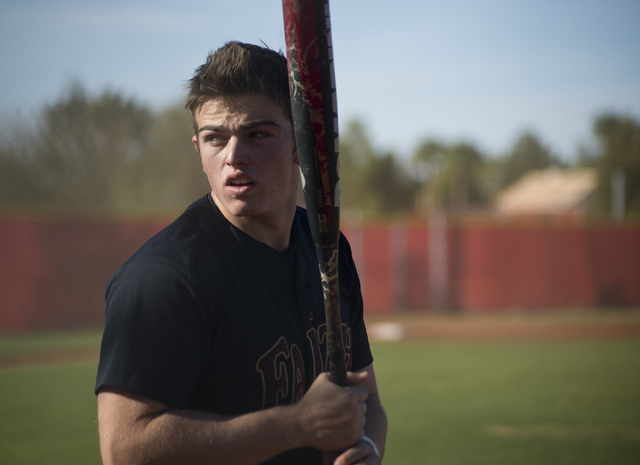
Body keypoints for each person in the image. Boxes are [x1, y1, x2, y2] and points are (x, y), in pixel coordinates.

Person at [95, 41, 387, 465]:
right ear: (199, 150)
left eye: (257, 134)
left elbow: (367, 398)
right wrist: (297, 425)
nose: (233, 157)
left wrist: (370, 448)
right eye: (215, 138)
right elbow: (123, 450)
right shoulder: (165, 278)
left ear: (300, 144)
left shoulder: (328, 247)